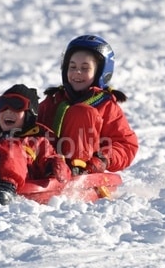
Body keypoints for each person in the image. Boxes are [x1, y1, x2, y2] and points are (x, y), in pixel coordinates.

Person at [38, 35, 138, 175]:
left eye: (85, 68)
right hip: (48, 167)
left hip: (84, 169)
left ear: (99, 73)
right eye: (72, 67)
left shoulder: (106, 105)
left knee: (82, 112)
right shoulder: (54, 101)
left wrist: (103, 159)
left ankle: (76, 170)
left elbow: (126, 144)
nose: (77, 72)